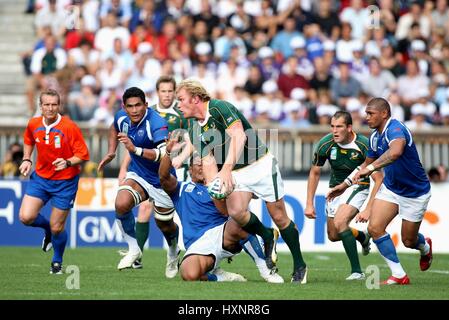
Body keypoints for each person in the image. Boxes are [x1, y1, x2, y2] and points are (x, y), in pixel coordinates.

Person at [176, 79, 308, 283]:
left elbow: (239, 136)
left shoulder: (220, 108)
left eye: (181, 99)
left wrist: (226, 170)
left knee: (279, 216)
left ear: (195, 99)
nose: (178, 104)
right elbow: (208, 159)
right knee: (236, 212)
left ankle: (300, 265)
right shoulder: (193, 127)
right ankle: (267, 234)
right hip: (236, 172)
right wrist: (214, 184)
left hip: (260, 165)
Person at [328, 97, 433, 285]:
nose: (366, 117)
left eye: (370, 114)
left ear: (384, 113)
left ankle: (425, 247)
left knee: (408, 241)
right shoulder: (375, 137)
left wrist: (370, 169)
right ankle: (399, 275)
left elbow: (395, 153)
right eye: (366, 114)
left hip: (415, 192)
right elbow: (365, 165)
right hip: (391, 189)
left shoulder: (396, 129)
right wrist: (345, 185)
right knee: (374, 228)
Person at [159, 135, 284, 283]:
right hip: (196, 244)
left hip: (222, 234)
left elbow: (226, 212)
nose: (201, 167)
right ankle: (219, 276)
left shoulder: (222, 185)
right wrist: (168, 153)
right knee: (189, 275)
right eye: (197, 164)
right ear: (190, 169)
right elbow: (163, 177)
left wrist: (216, 190)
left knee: (239, 221)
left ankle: (266, 270)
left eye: (203, 164)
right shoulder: (181, 188)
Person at [97, 87, 180, 275]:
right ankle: (134, 249)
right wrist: (111, 151)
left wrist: (135, 150)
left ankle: (174, 251)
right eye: (130, 106)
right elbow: (113, 128)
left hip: (161, 179)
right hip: (138, 174)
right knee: (121, 203)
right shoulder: (121, 117)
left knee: (165, 225)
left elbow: (162, 154)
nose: (134, 110)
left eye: (138, 105)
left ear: (146, 105)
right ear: (124, 108)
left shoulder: (157, 122)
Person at [117, 76, 188, 272]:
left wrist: (180, 158)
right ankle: (136, 253)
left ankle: (175, 248)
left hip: (170, 171)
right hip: (143, 171)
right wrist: (124, 168)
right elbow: (132, 145)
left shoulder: (181, 114)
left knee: (165, 223)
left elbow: (190, 141)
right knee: (142, 209)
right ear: (157, 93)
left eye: (170, 91)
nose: (166, 94)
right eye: (163, 91)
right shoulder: (145, 112)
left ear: (174, 93)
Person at [18, 89, 90, 274]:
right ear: (40, 106)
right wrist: (27, 159)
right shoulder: (33, 124)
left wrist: (67, 162)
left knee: (58, 226)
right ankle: (47, 231)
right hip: (41, 178)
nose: (50, 108)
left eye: (54, 104)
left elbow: (83, 154)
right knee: (26, 217)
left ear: (59, 106)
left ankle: (57, 261)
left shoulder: (69, 126)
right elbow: (28, 140)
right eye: (46, 104)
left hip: (65, 182)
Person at [305, 111, 383, 280]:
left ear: (349, 128)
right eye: (332, 126)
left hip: (358, 186)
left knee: (341, 222)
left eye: (339, 126)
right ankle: (362, 237)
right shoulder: (325, 144)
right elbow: (314, 173)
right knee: (333, 235)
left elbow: (379, 178)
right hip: (336, 189)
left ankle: (357, 272)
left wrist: (369, 208)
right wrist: (309, 203)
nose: (334, 131)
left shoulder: (363, 145)